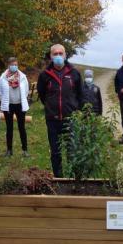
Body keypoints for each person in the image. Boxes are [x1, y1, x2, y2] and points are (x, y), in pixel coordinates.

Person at [36, 44, 83, 177]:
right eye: (55, 54)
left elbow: (80, 94)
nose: (58, 56)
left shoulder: (74, 73)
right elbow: (42, 94)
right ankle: (59, 177)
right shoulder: (45, 75)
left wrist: (75, 109)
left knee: (71, 150)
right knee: (56, 152)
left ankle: (73, 176)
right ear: (51, 56)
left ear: (65, 55)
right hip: (52, 120)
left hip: (70, 119)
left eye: (60, 53)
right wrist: (51, 107)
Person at [0, 57, 29, 157]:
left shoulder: (22, 77)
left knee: (22, 127)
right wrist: (5, 101)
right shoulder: (3, 77)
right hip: (8, 106)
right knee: (9, 128)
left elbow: (26, 90)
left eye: (16, 64)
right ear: (8, 65)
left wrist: (22, 100)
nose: (14, 66)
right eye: (12, 65)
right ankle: (9, 150)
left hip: (20, 105)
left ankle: (25, 150)